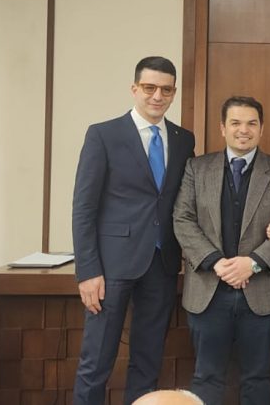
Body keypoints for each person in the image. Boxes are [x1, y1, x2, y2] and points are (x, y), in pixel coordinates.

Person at [72, 56, 196, 405]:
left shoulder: (183, 139)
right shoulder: (103, 134)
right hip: (111, 267)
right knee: (96, 360)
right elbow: (84, 207)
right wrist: (88, 271)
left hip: (162, 262)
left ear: (174, 93)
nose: (157, 96)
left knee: (148, 359)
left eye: (166, 90)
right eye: (149, 87)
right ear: (134, 88)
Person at [172, 96, 270, 405]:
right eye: (235, 123)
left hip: (263, 293)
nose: (243, 130)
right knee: (206, 377)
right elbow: (182, 219)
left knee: (258, 378)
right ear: (222, 128)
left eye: (251, 123)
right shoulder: (196, 168)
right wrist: (216, 262)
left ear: (261, 128)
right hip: (208, 291)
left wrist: (253, 263)